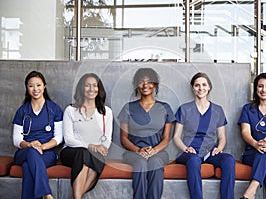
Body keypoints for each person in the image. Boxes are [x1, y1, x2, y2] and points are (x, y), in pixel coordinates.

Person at [173, 72, 235, 199]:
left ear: (209, 87)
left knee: (229, 159)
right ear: (192, 88)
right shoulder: (184, 109)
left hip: (209, 152)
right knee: (194, 160)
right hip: (189, 152)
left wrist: (219, 148)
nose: (201, 88)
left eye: (204, 85)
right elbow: (176, 137)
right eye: (197, 85)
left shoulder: (218, 110)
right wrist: (186, 149)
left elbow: (222, 137)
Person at [118, 68, 175, 199]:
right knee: (141, 163)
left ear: (154, 85)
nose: (145, 85)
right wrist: (139, 150)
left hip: (159, 153)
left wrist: (153, 151)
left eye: (149, 82)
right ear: (136, 85)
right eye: (141, 82)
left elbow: (166, 138)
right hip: (133, 153)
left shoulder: (165, 108)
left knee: (155, 163)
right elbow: (124, 138)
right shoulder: (128, 108)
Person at [60, 73, 113, 199]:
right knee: (84, 153)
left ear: (99, 89)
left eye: (94, 86)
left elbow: (107, 138)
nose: (91, 89)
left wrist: (102, 148)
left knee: (93, 158)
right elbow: (68, 139)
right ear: (81, 89)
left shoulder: (106, 112)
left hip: (93, 155)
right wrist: (91, 146)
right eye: (87, 86)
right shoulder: (71, 110)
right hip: (71, 152)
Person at [12, 70, 63, 199]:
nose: (35, 89)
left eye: (38, 85)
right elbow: (16, 139)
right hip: (24, 152)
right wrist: (30, 144)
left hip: (47, 153)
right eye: (31, 86)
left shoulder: (54, 109)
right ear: (27, 88)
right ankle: (46, 193)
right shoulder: (22, 111)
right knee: (31, 152)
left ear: (44, 86)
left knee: (28, 166)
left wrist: (42, 147)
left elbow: (59, 137)